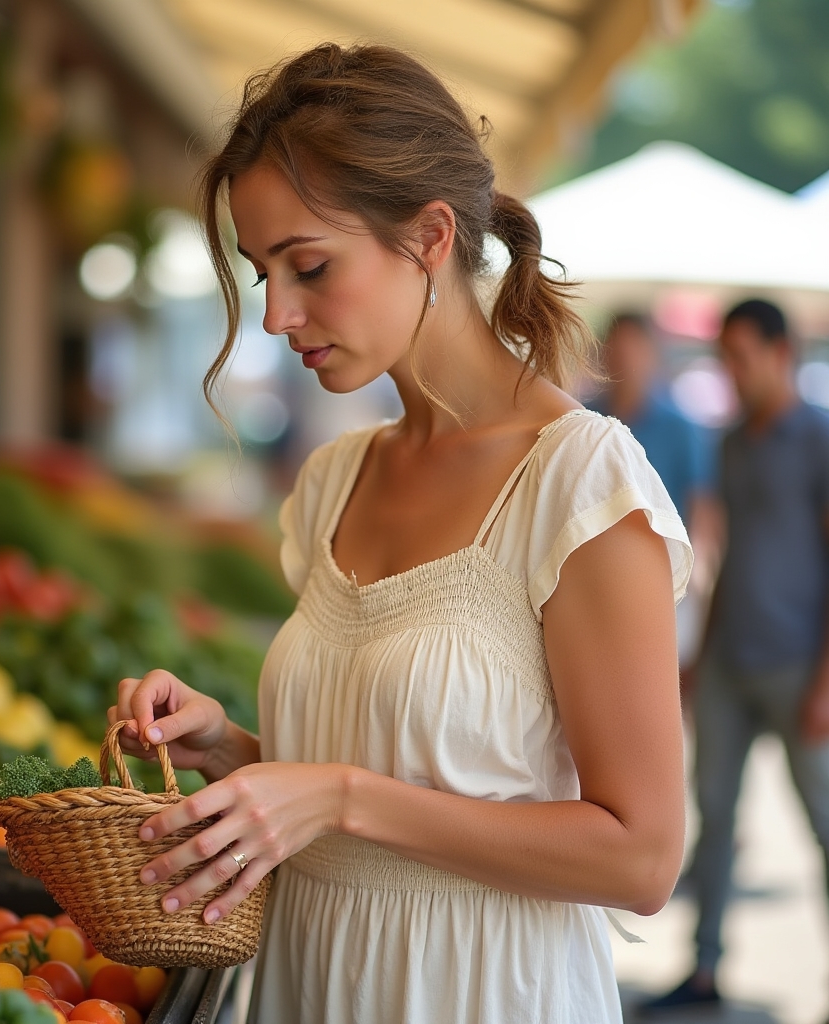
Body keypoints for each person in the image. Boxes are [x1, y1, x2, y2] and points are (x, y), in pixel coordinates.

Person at [109, 44, 692, 1024]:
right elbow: (398, 776)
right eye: (262, 273)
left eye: (309, 265)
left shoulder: (580, 483)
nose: (276, 315)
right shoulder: (334, 479)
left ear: (427, 236)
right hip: (308, 984)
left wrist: (335, 793)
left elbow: (640, 855)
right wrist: (233, 753)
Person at [643, 298, 829, 1014]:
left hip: (798, 663)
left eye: (741, 356)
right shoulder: (731, 442)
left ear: (782, 354)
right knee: (712, 817)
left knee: (822, 824)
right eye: (724, 356)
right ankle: (704, 972)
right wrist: (699, 654)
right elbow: (729, 554)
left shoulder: (816, 438)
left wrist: (823, 684)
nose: (730, 371)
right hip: (729, 659)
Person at [592, 313, 719, 661]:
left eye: (634, 352)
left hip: (662, 582)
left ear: (652, 355)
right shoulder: (585, 418)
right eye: (616, 351)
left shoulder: (681, 427)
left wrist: (693, 585)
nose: (625, 362)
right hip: (596, 580)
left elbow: (700, 508)